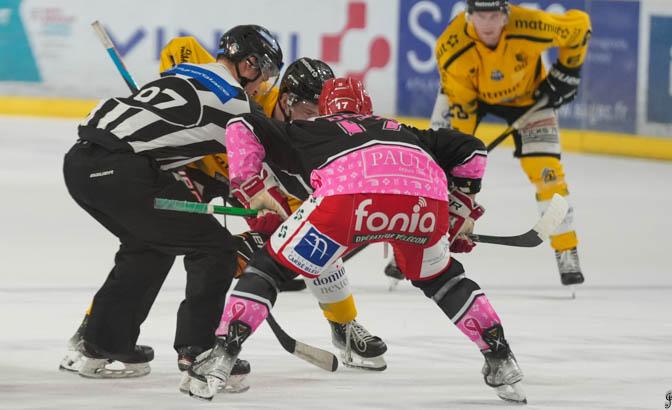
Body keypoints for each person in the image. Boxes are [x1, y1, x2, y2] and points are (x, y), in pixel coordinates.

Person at [183, 77, 528, 404]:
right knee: (445, 279)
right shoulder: (401, 129)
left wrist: (252, 189)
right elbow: (472, 150)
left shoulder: (310, 129)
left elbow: (241, 125)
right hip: (424, 205)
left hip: (348, 204)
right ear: (368, 108)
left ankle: (221, 356)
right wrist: (457, 212)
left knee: (269, 269)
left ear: (327, 109)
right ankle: (501, 359)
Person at [61, 25, 283, 381]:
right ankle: (200, 352)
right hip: (122, 171)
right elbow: (251, 164)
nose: (263, 86)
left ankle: (104, 342)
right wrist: (258, 196)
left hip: (79, 164)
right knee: (215, 248)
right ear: (249, 64)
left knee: (148, 246)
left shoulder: (182, 73)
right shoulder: (237, 104)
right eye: (266, 73)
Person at [157, 38, 389, 370]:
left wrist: (258, 243)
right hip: (196, 167)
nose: (313, 122)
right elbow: (182, 47)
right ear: (286, 99)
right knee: (152, 244)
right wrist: (173, 84)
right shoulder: (250, 97)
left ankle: (344, 326)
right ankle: (102, 329)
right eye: (308, 113)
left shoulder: (309, 144)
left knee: (314, 237)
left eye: (321, 115)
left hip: (257, 189)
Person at [425, 0, 591, 287]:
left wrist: (569, 71)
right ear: (468, 16)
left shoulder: (529, 24)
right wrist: (463, 182)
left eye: (493, 16)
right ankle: (421, 239)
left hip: (531, 98)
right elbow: (462, 127)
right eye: (480, 16)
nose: (487, 23)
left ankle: (567, 249)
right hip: (470, 99)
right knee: (437, 165)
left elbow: (579, 26)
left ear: (506, 15)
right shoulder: (452, 50)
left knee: (547, 174)